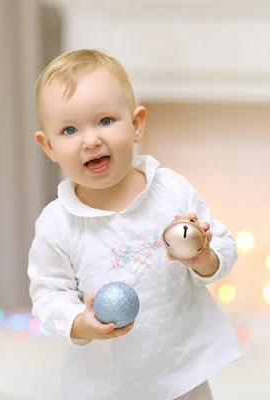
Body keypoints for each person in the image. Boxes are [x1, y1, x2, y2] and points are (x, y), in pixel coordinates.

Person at [28, 49, 242, 400]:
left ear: (137, 123)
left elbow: (223, 244)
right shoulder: (58, 222)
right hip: (109, 383)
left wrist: (203, 256)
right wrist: (80, 321)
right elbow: (49, 293)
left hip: (182, 368)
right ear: (49, 146)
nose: (91, 140)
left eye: (106, 121)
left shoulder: (169, 190)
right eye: (69, 129)